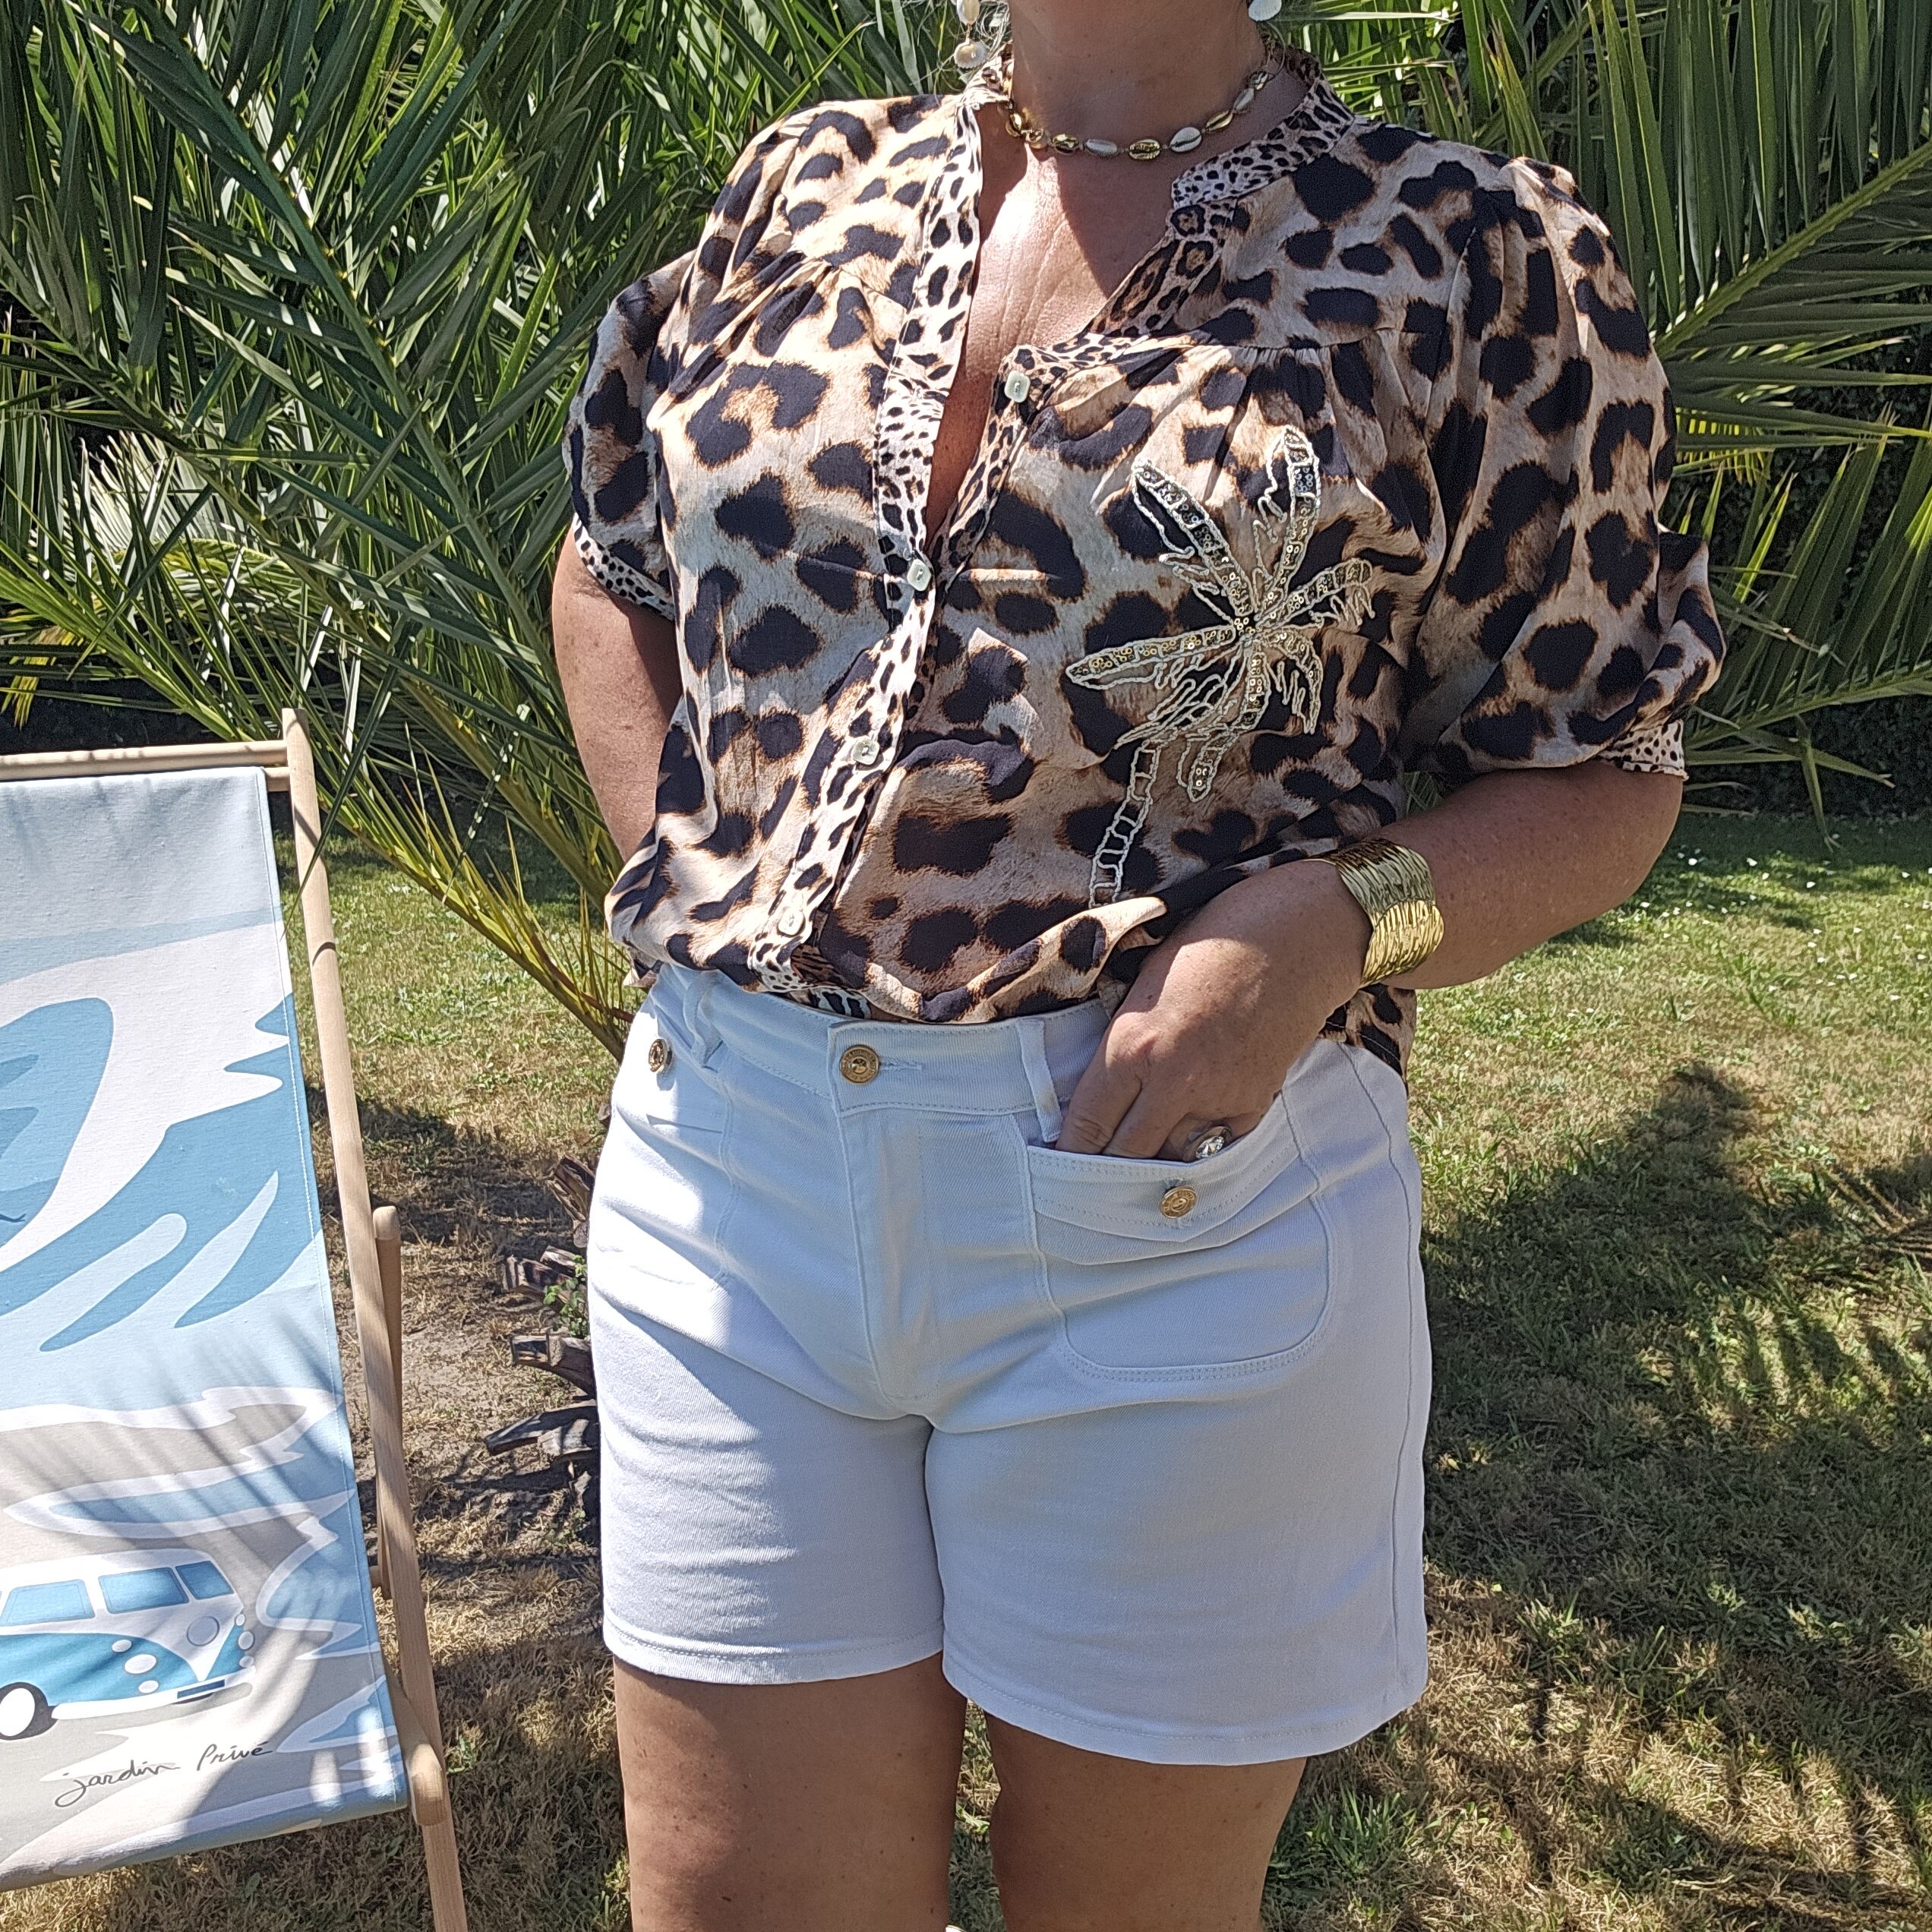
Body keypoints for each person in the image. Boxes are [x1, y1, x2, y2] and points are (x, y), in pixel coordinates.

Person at [551, 0, 1723, 1924]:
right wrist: (696, 881)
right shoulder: (807, 180)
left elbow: (1608, 769)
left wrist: (1326, 927)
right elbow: (611, 563)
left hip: (1171, 1197)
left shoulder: (1472, 246)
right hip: (729, 1188)